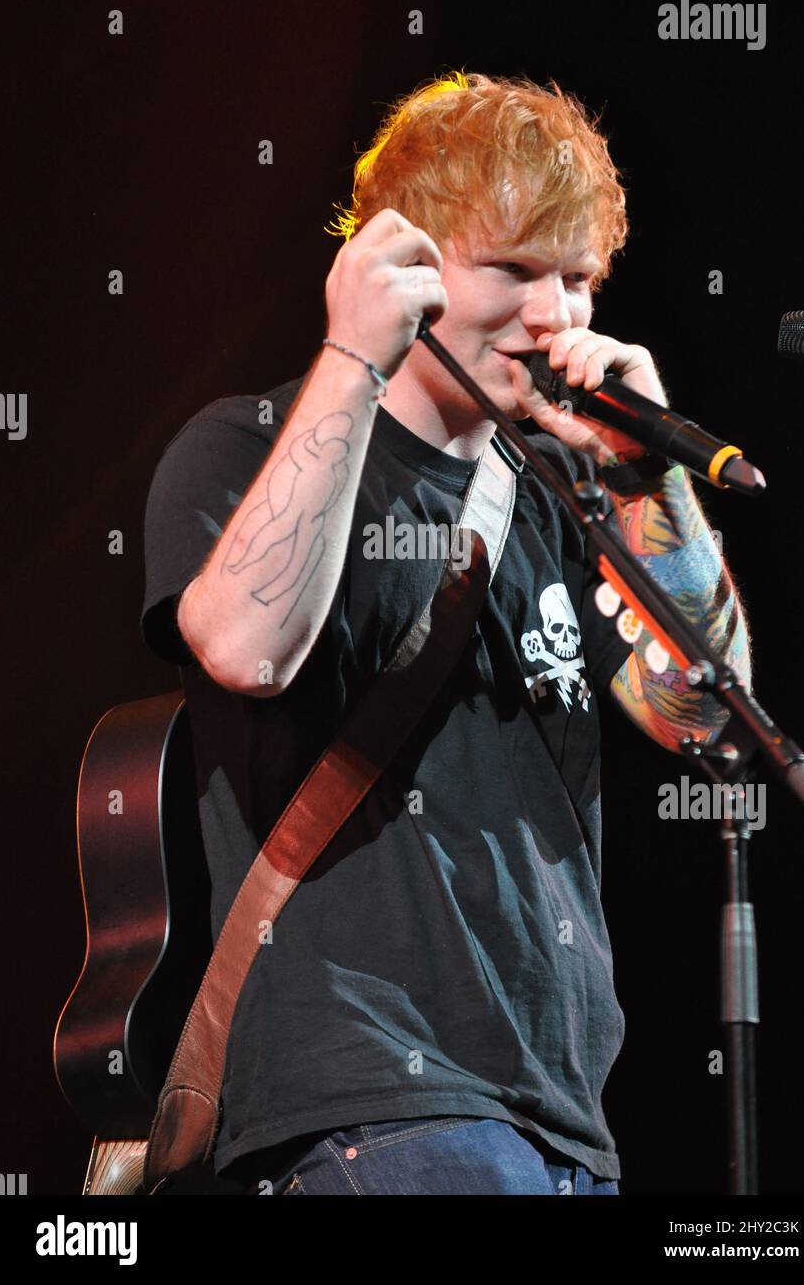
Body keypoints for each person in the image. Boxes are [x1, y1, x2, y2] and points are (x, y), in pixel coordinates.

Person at [141, 70, 751, 1196]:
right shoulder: (244, 446)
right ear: (398, 260)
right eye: (512, 270)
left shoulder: (568, 497)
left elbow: (700, 713)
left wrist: (648, 484)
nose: (553, 315)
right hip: (372, 1109)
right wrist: (350, 354)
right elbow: (246, 648)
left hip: (563, 1124)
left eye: (575, 278)